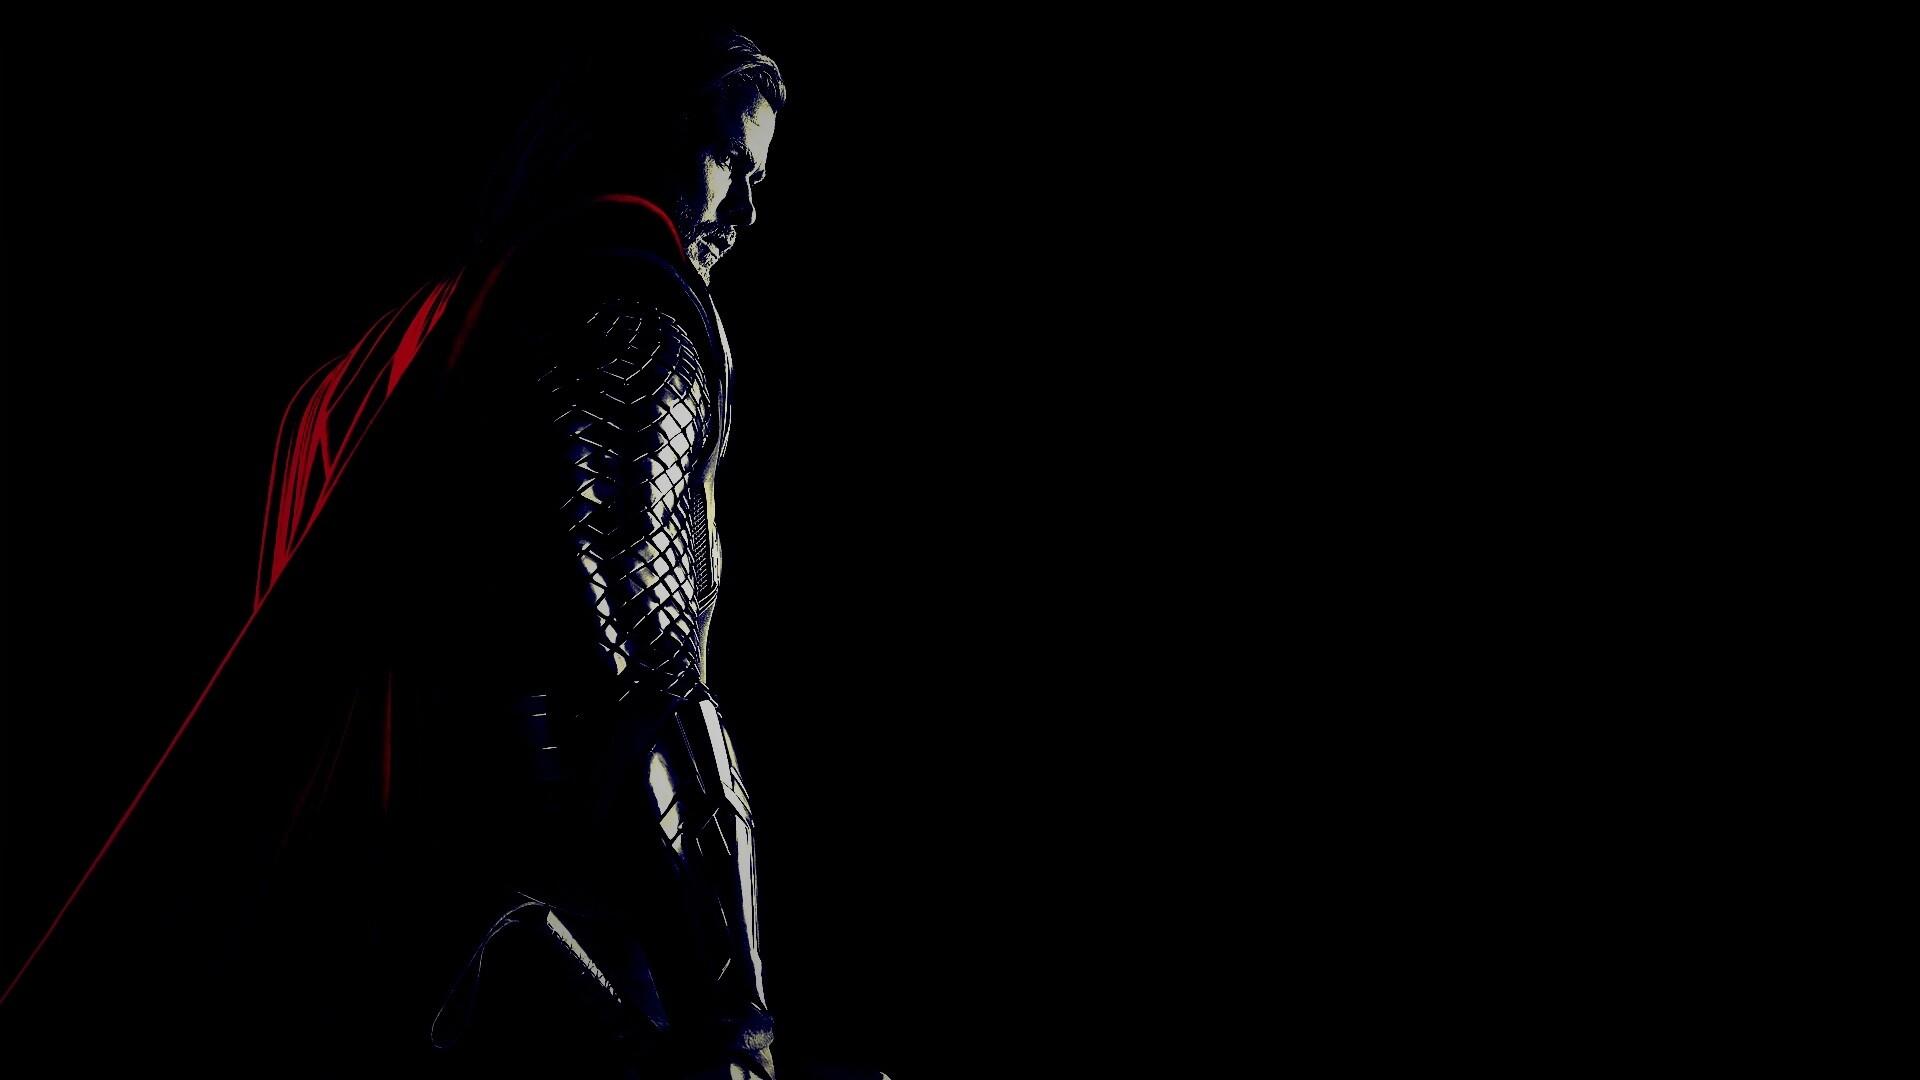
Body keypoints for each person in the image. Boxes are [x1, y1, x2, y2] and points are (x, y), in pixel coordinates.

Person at [0, 19, 881, 1080]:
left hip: (342, 956)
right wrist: (734, 1034)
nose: (745, 210)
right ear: (649, 124)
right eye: (730, 160)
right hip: (516, 947)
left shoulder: (407, 344)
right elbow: (641, 690)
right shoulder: (622, 299)